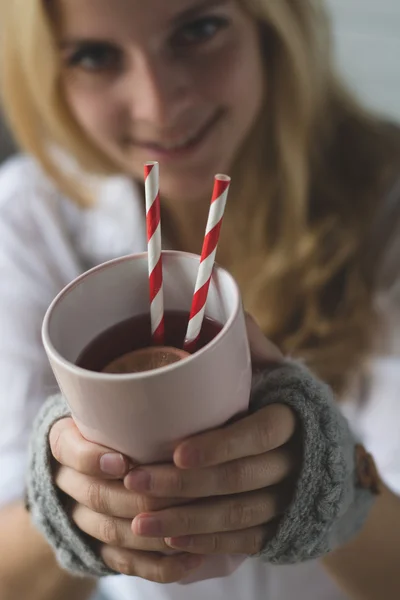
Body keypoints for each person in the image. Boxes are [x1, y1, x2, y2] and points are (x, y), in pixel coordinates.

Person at [0, 1, 400, 599]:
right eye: (94, 55)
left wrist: (338, 489)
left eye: (198, 30)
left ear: (273, 25)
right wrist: (64, 503)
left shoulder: (387, 210)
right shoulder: (27, 218)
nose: (159, 106)